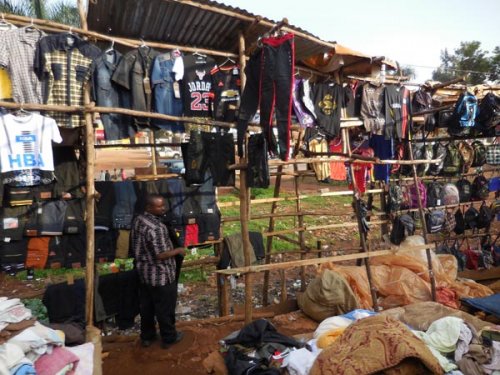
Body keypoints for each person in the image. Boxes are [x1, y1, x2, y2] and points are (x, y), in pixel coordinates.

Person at [131, 194, 186, 349]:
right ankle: (169, 337)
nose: (164, 208)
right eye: (160, 206)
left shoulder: (139, 220)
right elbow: (161, 255)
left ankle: (147, 337)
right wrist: (178, 250)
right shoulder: (157, 227)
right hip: (161, 275)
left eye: (163, 205)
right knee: (165, 308)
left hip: (144, 273)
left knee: (147, 307)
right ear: (149, 207)